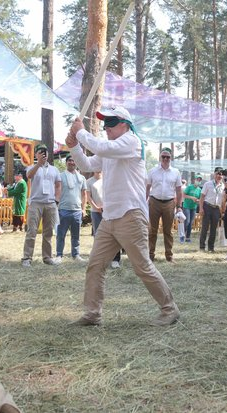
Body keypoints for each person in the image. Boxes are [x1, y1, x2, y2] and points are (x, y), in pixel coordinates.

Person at [66, 106, 179, 326]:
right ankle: (92, 314)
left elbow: (101, 147)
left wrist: (79, 132)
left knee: (142, 266)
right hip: (110, 217)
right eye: (104, 124)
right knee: (95, 265)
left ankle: (170, 309)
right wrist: (74, 147)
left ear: (125, 124)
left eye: (110, 123)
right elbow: (86, 164)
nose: (106, 128)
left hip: (131, 215)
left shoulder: (132, 141)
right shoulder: (110, 149)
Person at [20, 143, 61, 267]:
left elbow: (58, 185)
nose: (44, 154)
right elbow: (29, 176)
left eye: (45, 152)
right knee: (32, 231)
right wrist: (38, 164)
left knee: (48, 232)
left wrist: (56, 200)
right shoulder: (31, 167)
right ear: (36, 154)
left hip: (50, 203)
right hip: (35, 203)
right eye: (40, 152)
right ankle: (27, 258)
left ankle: (47, 257)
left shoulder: (54, 169)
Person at [146, 147, 183, 263]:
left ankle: (169, 256)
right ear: (160, 157)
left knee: (168, 231)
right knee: (152, 230)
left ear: (171, 158)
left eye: (168, 157)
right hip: (154, 202)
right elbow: (147, 188)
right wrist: (143, 202)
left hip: (169, 203)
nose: (166, 159)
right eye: (163, 156)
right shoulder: (152, 171)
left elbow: (179, 191)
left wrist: (179, 206)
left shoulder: (176, 172)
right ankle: (150, 255)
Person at [55, 154, 87, 263]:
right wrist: (56, 206)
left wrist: (83, 209)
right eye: (69, 160)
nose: (72, 162)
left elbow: (84, 194)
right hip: (63, 209)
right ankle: (59, 255)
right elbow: (57, 191)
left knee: (76, 235)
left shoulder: (81, 178)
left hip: (77, 210)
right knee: (61, 234)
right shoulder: (60, 176)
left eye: (73, 161)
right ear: (66, 162)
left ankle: (76, 255)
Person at [87, 171, 121, 268]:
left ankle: (115, 259)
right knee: (98, 235)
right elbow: (88, 197)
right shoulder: (89, 181)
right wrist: (96, 208)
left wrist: (108, 206)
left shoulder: (108, 179)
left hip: (109, 211)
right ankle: (99, 259)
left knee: (114, 234)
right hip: (95, 212)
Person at [199, 167, 225, 252]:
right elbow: (202, 197)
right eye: (217, 174)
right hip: (207, 207)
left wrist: (222, 211)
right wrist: (201, 208)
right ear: (214, 174)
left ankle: (211, 247)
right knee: (205, 227)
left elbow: (223, 200)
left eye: (221, 174)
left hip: (216, 208)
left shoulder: (224, 186)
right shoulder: (208, 184)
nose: (219, 176)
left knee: (214, 229)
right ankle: (202, 246)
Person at [181, 174, 202, 243]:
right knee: (187, 221)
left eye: (199, 180)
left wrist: (198, 200)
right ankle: (182, 236)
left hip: (194, 207)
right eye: (197, 179)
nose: (198, 181)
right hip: (186, 206)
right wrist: (191, 197)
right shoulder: (189, 187)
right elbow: (183, 195)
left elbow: (200, 199)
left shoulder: (199, 190)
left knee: (191, 222)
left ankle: (188, 237)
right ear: (194, 180)